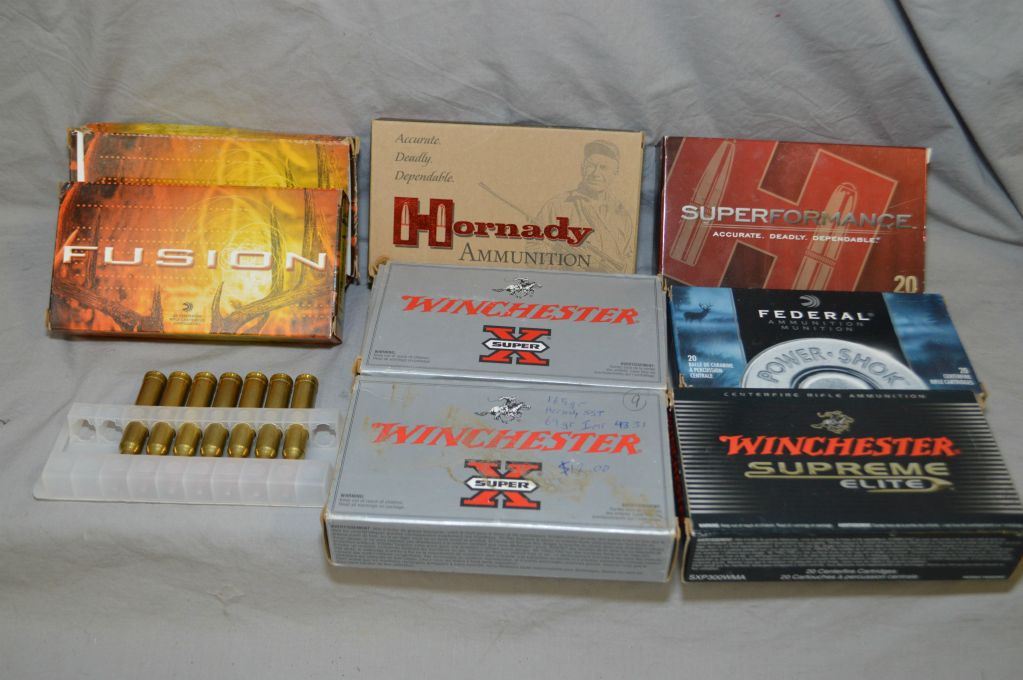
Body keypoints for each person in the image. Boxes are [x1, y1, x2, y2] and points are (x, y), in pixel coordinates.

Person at [534, 140, 635, 271]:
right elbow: (534, 247)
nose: (596, 174)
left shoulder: (622, 214)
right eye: (591, 166)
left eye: (603, 168)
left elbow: (629, 258)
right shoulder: (558, 205)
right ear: (582, 168)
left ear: (615, 173)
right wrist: (567, 267)